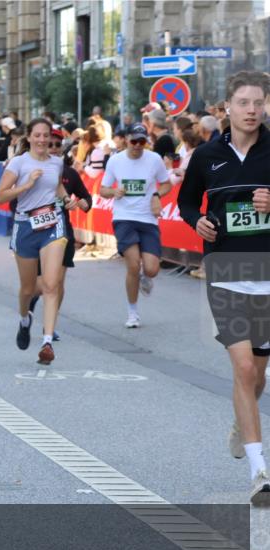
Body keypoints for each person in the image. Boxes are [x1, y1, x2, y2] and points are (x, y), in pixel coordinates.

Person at [178, 70, 270, 505]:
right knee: (244, 369)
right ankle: (259, 471)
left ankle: (241, 419)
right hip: (226, 269)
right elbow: (186, 201)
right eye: (244, 103)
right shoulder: (206, 156)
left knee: (258, 374)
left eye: (259, 103)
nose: (252, 110)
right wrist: (196, 220)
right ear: (227, 108)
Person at [0, 118, 78, 365]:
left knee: (52, 284)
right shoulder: (19, 163)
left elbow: (57, 188)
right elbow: (1, 196)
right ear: (29, 137)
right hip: (25, 226)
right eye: (38, 135)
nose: (42, 140)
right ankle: (24, 319)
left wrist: (67, 200)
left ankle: (47, 342)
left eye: (45, 135)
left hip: (53, 225)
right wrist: (27, 185)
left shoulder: (57, 162)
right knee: (28, 289)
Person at [99, 124, 171, 328]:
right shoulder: (116, 160)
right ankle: (132, 313)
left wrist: (156, 195)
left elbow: (166, 184)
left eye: (142, 141)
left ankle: (145, 277)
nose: (138, 145)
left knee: (152, 269)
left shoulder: (154, 159)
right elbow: (103, 189)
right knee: (132, 265)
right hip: (124, 218)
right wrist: (114, 192)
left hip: (148, 219)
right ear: (126, 140)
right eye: (134, 141)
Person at [29, 127, 93, 338]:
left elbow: (86, 198)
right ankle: (30, 301)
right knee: (41, 283)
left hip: (63, 232)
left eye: (57, 145)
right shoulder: (31, 169)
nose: (54, 148)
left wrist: (84, 203)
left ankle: (50, 325)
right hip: (37, 232)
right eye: (50, 144)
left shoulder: (69, 174)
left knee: (57, 282)